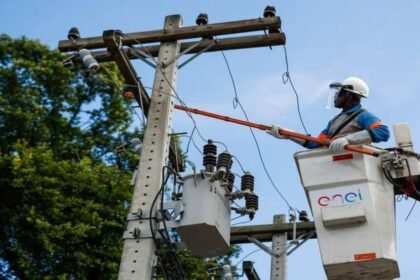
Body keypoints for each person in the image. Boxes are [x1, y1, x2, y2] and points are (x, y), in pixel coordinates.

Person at [268, 76, 390, 152]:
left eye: (339, 93)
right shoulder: (334, 121)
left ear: (348, 95)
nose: (336, 97)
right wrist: (289, 134)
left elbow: (383, 132)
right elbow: (316, 143)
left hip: (356, 164)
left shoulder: (362, 115)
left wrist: (348, 140)